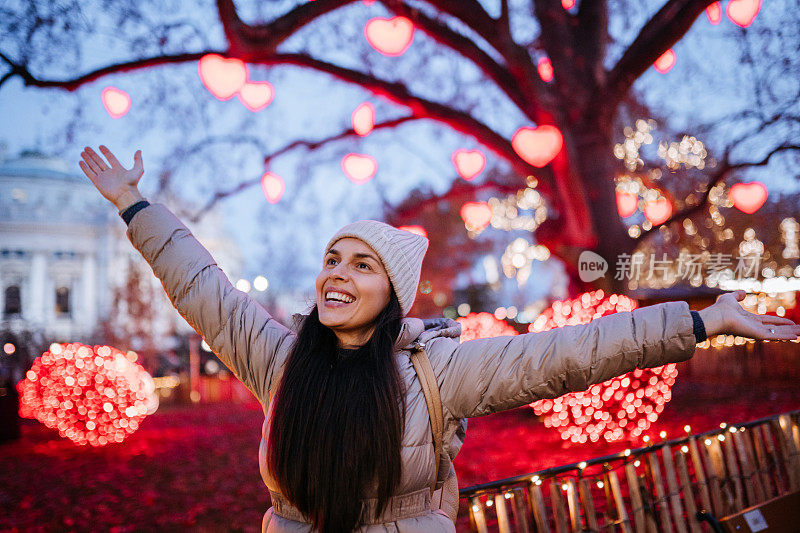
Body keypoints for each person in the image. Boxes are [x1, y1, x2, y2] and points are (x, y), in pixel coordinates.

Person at [79, 146, 800, 533]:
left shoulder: (436, 370)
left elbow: (570, 353)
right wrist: (135, 205)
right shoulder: (280, 358)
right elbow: (200, 283)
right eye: (332, 258)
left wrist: (701, 320)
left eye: (361, 265)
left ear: (393, 293)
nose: (337, 275)